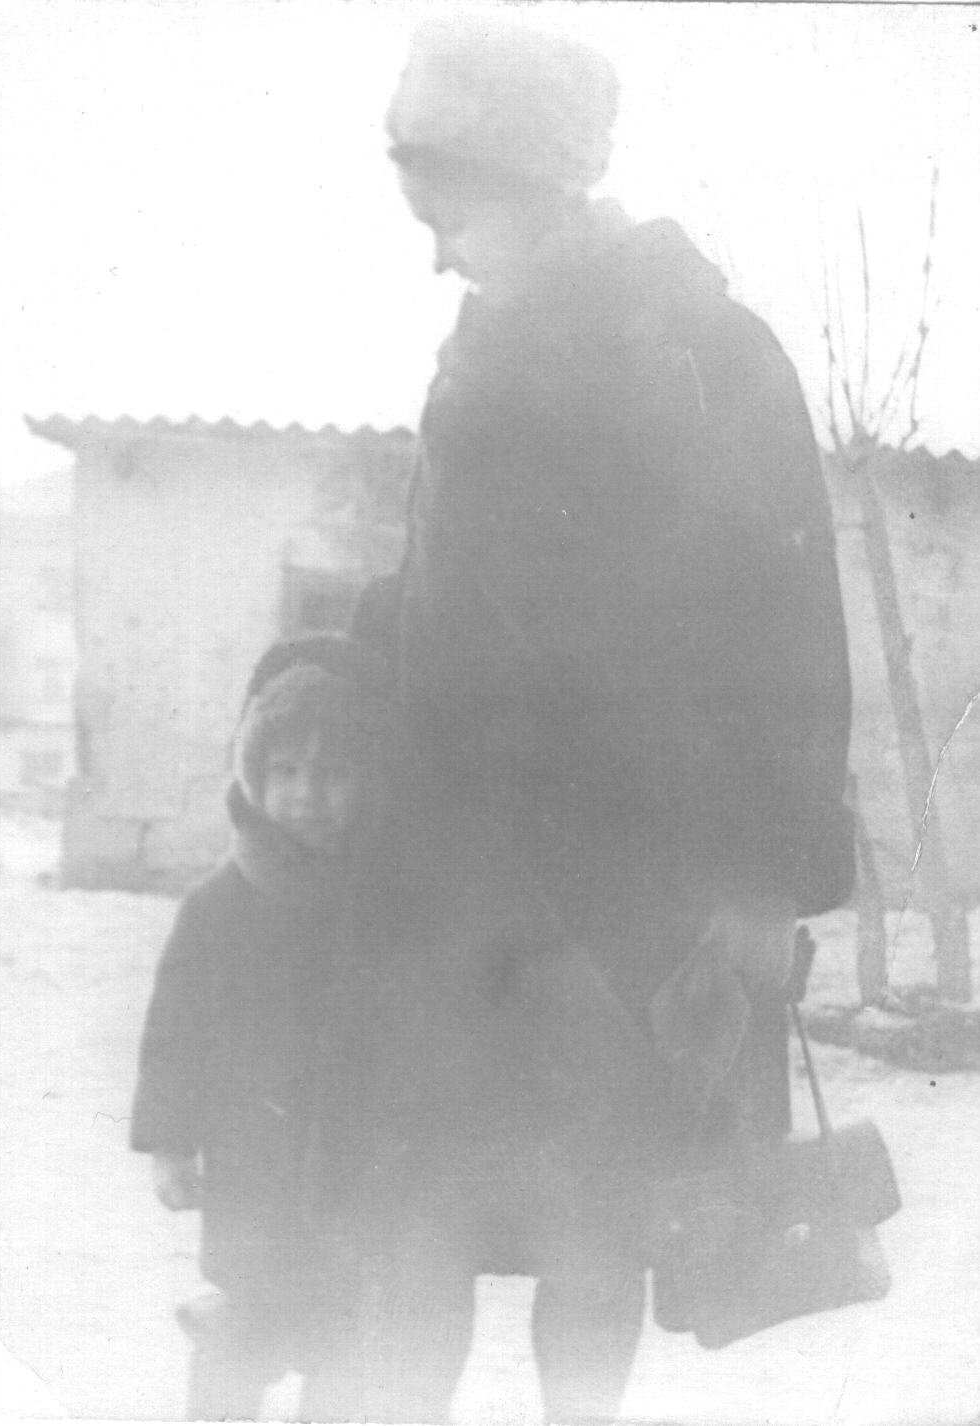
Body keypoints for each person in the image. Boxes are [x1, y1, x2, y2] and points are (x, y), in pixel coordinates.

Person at [370, 13, 856, 1423]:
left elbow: (793, 638)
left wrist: (762, 883)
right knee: (413, 1244)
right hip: (463, 900)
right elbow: (445, 615)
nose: (438, 255)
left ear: (543, 182)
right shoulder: (480, 358)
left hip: (637, 912)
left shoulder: (709, 351)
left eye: (451, 217)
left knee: (593, 1252)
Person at [129, 634, 395, 1421]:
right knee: (244, 1331)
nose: (307, 794)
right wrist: (171, 1145)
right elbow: (174, 1035)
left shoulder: (382, 904)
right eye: (285, 772)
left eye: (332, 773)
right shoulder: (221, 905)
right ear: (254, 777)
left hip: (356, 1172)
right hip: (254, 1169)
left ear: (369, 780)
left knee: (347, 1342)